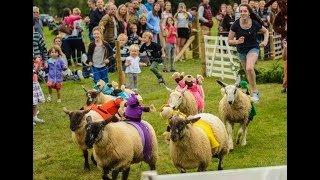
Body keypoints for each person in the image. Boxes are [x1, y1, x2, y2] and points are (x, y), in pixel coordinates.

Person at [227, 4, 269, 102]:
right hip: (241, 50)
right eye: (241, 11)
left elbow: (266, 31)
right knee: (248, 72)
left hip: (253, 48)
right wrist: (237, 41)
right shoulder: (235, 25)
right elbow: (229, 40)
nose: (243, 13)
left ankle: (254, 92)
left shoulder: (254, 23)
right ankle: (253, 92)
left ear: (249, 13)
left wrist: (265, 42)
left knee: (249, 68)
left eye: (245, 11)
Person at [33, 57, 45, 125]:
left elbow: (37, 70)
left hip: (35, 83)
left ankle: (34, 117)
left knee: (34, 102)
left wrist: (38, 63)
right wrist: (37, 64)